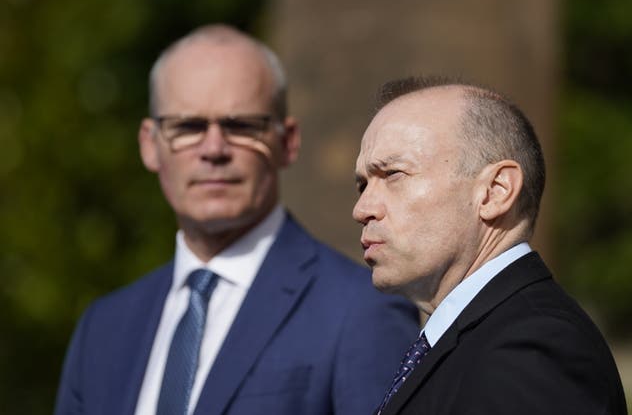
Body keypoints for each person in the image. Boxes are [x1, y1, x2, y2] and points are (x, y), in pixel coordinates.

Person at [54, 25, 419, 415]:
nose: (214, 149)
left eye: (241, 126)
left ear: (287, 142)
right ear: (150, 145)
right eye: (188, 127)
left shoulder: (360, 312)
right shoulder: (103, 328)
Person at [352, 76, 627, 415]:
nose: (362, 209)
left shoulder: (534, 350)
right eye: (362, 184)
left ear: (496, 191)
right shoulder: (481, 336)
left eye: (393, 174)